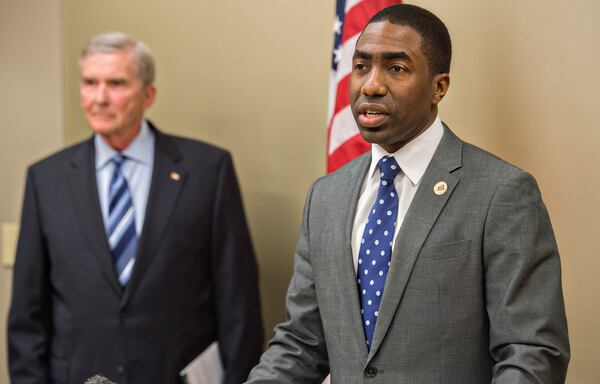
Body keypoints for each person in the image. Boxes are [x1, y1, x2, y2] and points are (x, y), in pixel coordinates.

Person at [247, 4, 569, 383]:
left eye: (396, 68)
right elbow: (301, 343)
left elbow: (531, 352)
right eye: (362, 66)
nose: (371, 85)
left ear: (439, 87)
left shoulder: (502, 193)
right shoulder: (325, 197)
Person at [8, 32, 263, 384]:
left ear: (148, 95)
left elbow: (239, 305)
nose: (99, 98)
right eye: (89, 83)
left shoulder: (208, 171)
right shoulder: (46, 179)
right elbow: (27, 315)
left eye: (116, 83)